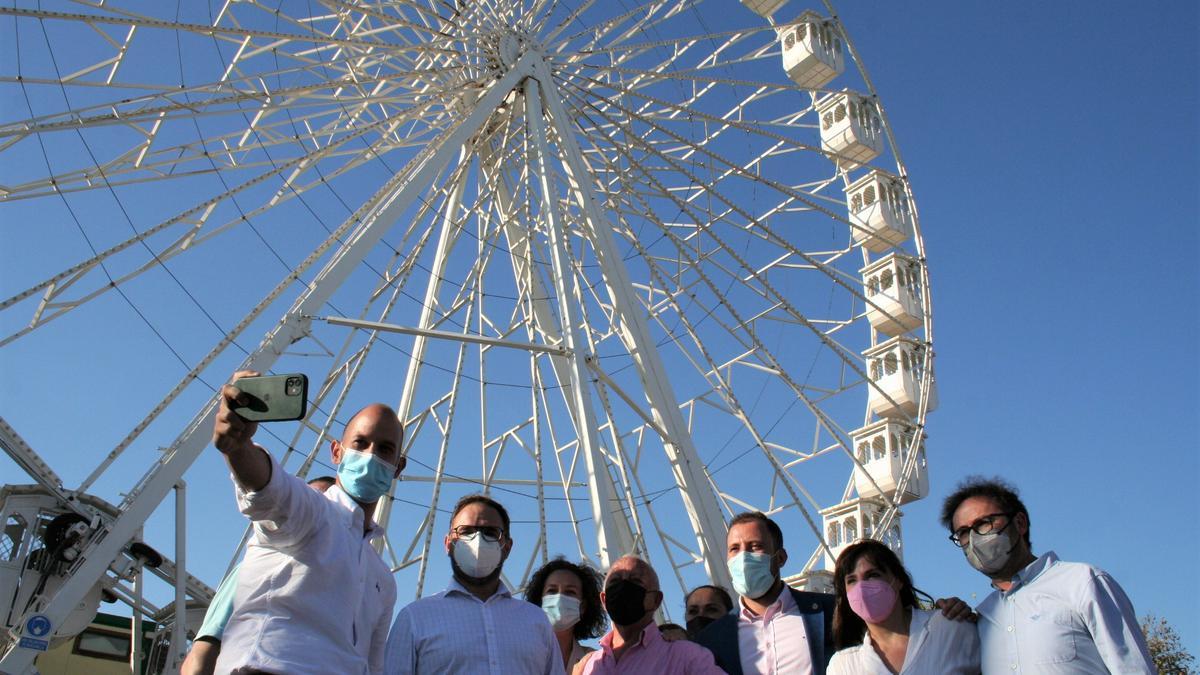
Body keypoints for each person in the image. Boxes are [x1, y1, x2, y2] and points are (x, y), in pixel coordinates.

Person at [212, 370, 406, 675]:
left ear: (398, 467)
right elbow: (269, 491)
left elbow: (372, 664)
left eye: (385, 449)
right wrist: (237, 447)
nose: (370, 455)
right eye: (360, 443)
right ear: (336, 452)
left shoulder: (383, 579)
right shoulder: (312, 511)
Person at [941, 477, 1155, 674]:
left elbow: (1134, 669)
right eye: (963, 532)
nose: (974, 538)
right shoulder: (983, 619)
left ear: (1020, 523)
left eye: (983, 523)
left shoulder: (1081, 582)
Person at [385, 494, 563, 675]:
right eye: (466, 531)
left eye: (491, 533)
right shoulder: (415, 618)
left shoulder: (536, 621)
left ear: (507, 547)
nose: (477, 540)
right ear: (448, 544)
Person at [180, 477, 336, 675]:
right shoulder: (254, 570)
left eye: (325, 504)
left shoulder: (345, 590)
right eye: (309, 499)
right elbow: (207, 646)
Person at [692, 511, 836, 675]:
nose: (743, 558)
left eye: (755, 547)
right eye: (734, 549)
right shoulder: (711, 639)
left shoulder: (831, 611)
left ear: (780, 558)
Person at [826, 539, 980, 674]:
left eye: (873, 575)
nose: (862, 587)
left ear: (898, 580)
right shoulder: (843, 666)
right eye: (852, 580)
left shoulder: (951, 629)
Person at [576, 555, 724, 675]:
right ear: (604, 600)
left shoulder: (687, 657)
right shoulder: (589, 666)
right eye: (615, 581)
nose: (623, 588)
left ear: (656, 600)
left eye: (636, 581)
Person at [525, 558, 607, 672]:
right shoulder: (520, 655)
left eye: (570, 592)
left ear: (583, 606)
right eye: (552, 591)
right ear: (540, 600)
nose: (559, 598)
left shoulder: (595, 661)